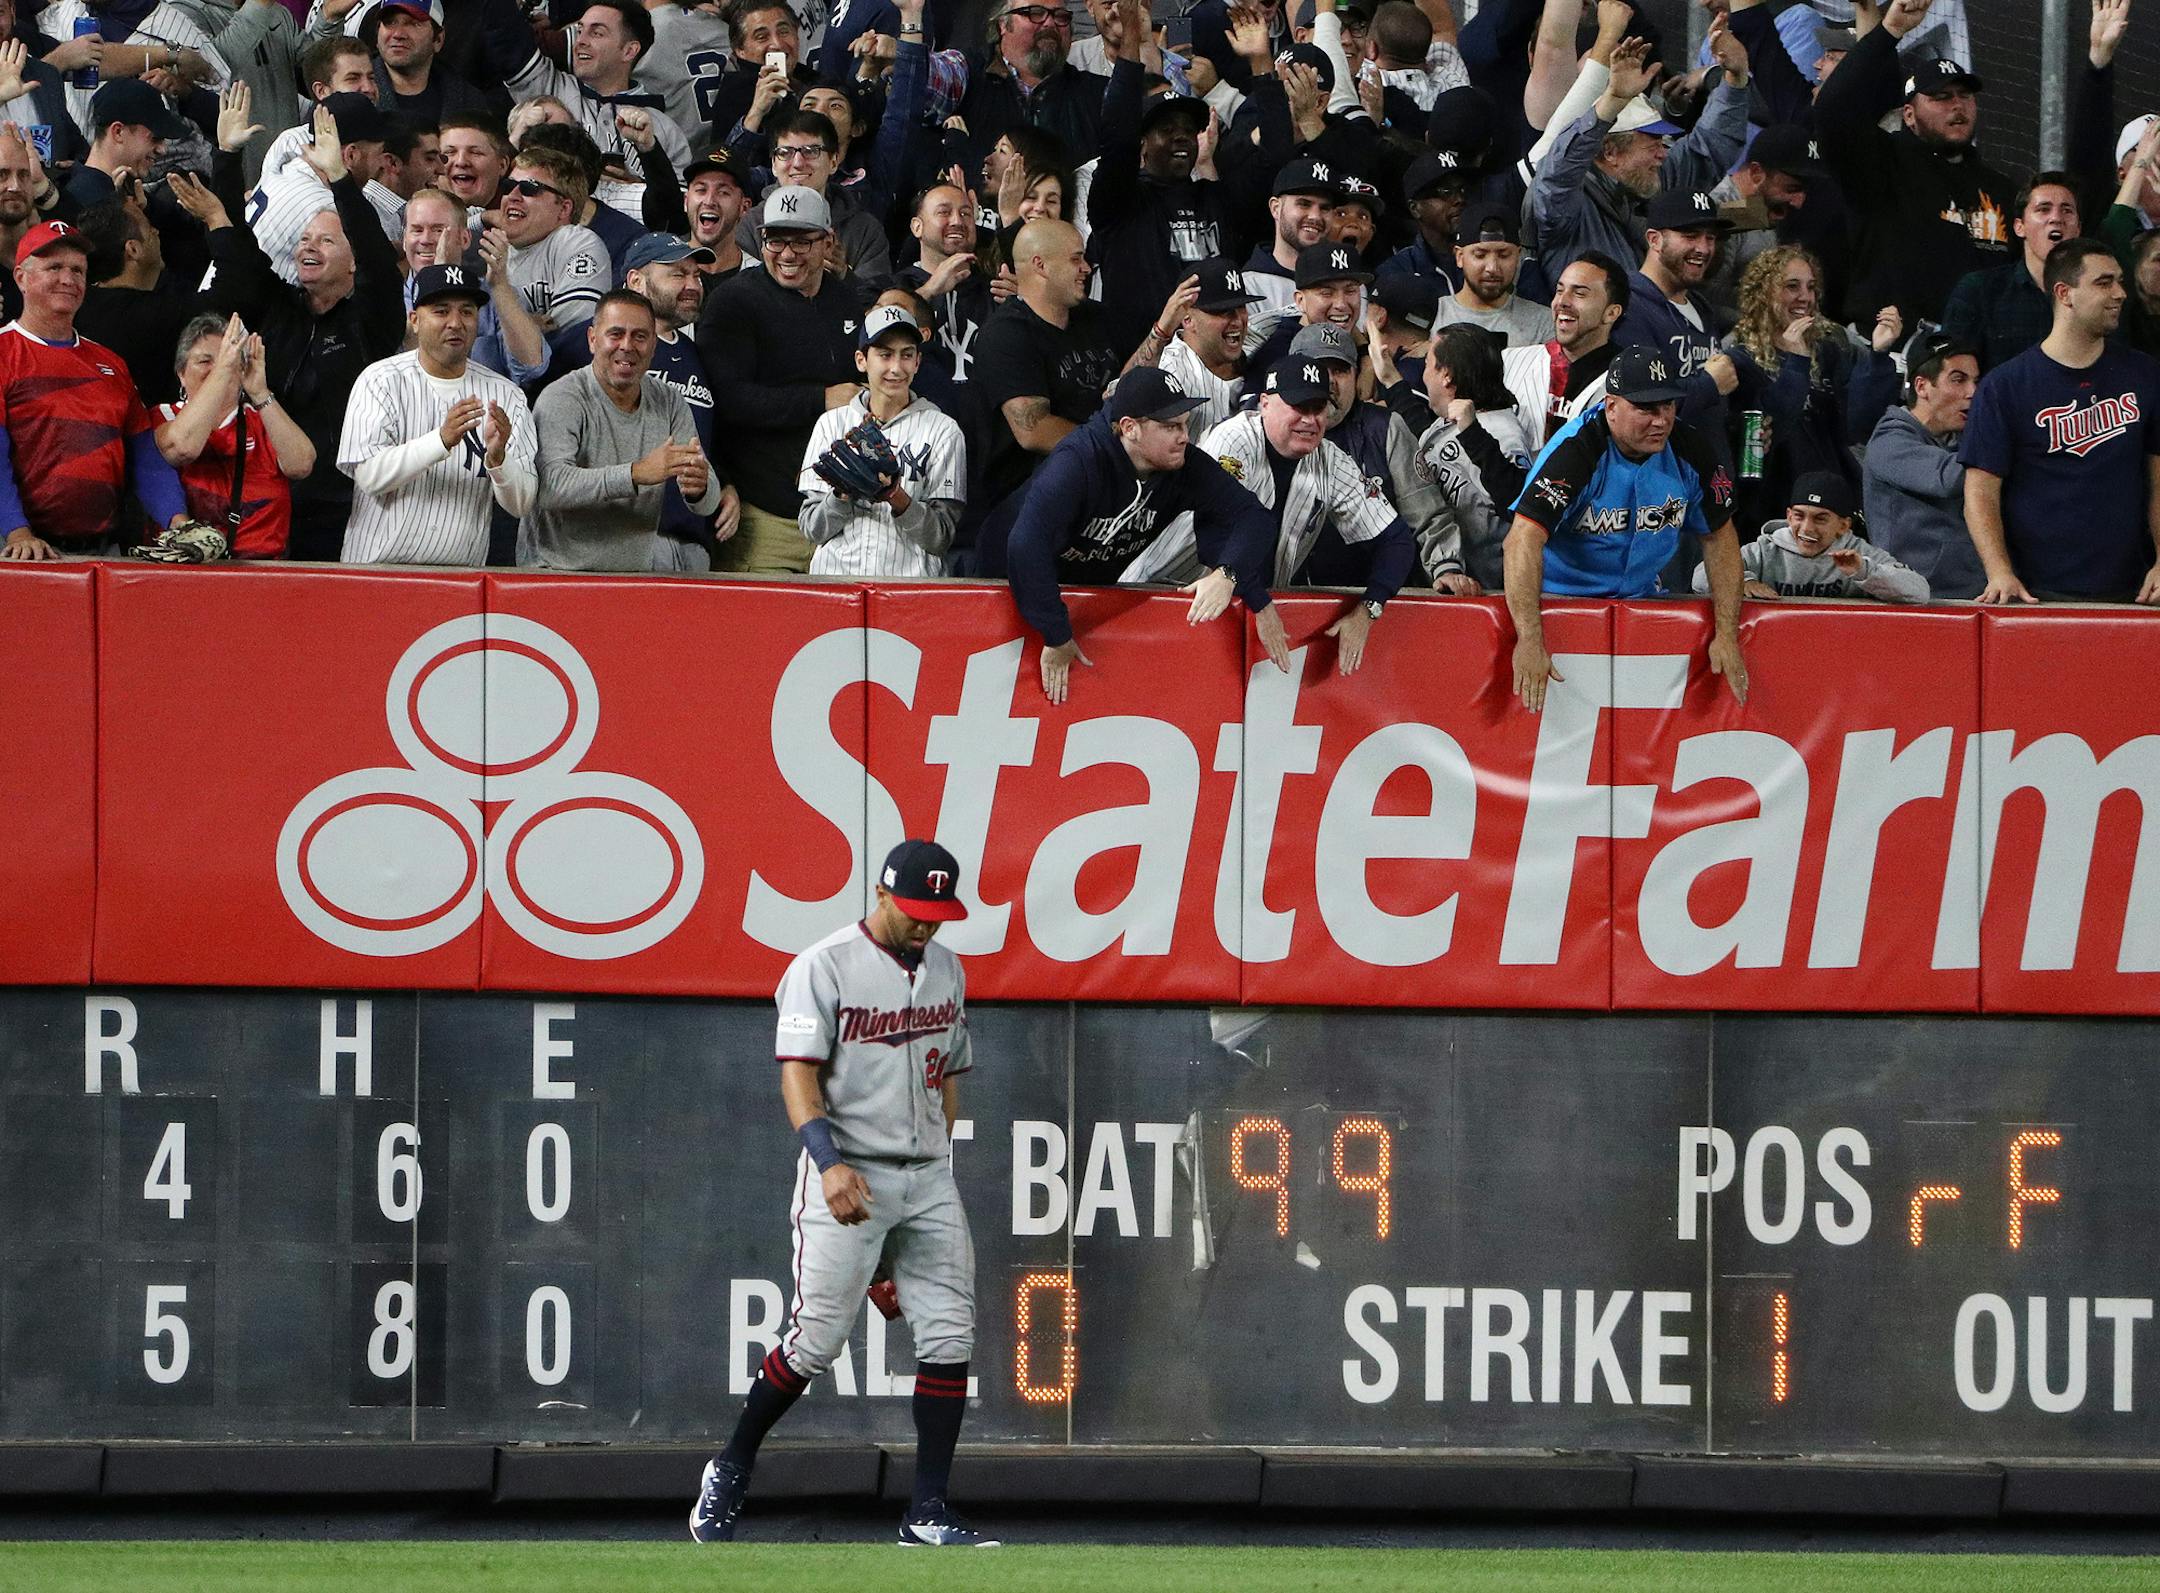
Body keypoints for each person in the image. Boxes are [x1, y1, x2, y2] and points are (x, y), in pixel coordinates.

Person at [688, 838, 998, 1550]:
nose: (926, 925)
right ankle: (730, 1464)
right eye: (916, 910)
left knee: (950, 1335)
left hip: (926, 1176)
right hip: (848, 1171)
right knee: (814, 1342)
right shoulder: (823, 965)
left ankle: (927, 1509)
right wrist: (826, 1163)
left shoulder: (948, 969)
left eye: (937, 913)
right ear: (884, 894)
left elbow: (949, 1073)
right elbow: (797, 1072)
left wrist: (936, 1165)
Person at [179, 116, 407, 561]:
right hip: (271, 500)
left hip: (349, 507)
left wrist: (340, 179)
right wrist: (227, 159)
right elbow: (240, 249)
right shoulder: (279, 307)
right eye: (304, 238)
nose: (308, 246)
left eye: (325, 240)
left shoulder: (371, 319)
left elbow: (379, 258)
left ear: (353, 259)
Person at [1004, 366, 1288, 703]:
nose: (1184, 435)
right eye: (1170, 427)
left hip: (1084, 593)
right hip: (1006, 587)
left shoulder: (1182, 465)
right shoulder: (1079, 461)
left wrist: (1228, 576)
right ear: (1130, 428)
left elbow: (1253, 516)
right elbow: (1025, 546)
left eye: (1184, 424)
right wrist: (1055, 633)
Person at [1128, 356, 1413, 673]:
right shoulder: (1234, 439)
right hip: (1160, 594)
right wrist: (1260, 604)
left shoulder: (1330, 460)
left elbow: (1396, 540)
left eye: (1318, 408)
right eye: (1299, 407)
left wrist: (1367, 611)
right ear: (1264, 403)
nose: (1309, 419)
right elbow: (1219, 536)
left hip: (1238, 610)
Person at [1503, 345, 1748, 712]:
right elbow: (1522, 539)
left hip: (1640, 606)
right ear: (1611, 407)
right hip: (1560, 608)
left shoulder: (1689, 448)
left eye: (1668, 405)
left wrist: (1727, 635)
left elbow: (1720, 537)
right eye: (1646, 408)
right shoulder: (1577, 451)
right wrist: (1529, 639)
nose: (1661, 420)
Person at [1961, 237, 2160, 605]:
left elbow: (2159, 478)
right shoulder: (2005, 386)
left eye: (2119, 280)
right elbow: (1979, 492)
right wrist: (1999, 570)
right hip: (2036, 593)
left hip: (2132, 590)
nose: (2120, 293)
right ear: (2064, 293)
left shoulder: (2146, 375)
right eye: (2104, 283)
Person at [1811, 0, 2016, 328]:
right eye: (1941, 97)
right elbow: (1833, 112)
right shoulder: (1880, 165)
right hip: (1893, 358)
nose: (1957, 106)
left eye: (1965, 95)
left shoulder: (2000, 189)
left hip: (1974, 364)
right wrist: (1889, 31)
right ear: (1909, 115)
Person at [0, 221, 192, 559]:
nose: (68, 279)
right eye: (54, 267)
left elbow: (145, 455)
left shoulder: (111, 363)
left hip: (106, 550)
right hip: (20, 550)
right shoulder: (4, 352)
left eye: (77, 270)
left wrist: (178, 522)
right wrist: (17, 532)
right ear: (21, 278)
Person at [697, 185, 864, 574]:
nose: (787, 254)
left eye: (802, 241)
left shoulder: (846, 300)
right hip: (765, 519)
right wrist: (820, 399)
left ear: (828, 241)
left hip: (840, 519)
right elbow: (729, 400)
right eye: (775, 240)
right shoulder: (734, 301)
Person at [337, 261, 538, 565]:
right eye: (441, 311)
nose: (456, 322)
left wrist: (499, 463)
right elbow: (369, 476)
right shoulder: (380, 380)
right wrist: (440, 441)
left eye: (466, 311)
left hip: (459, 584)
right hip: (375, 573)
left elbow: (522, 503)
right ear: (415, 320)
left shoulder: (506, 396)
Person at [521, 288, 725, 572]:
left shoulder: (670, 401)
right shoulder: (562, 397)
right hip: (557, 573)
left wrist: (700, 488)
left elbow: (706, 504)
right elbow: (550, 487)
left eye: (640, 336)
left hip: (633, 576)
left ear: (654, 346)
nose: (627, 345)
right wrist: (636, 474)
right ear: (593, 339)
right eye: (615, 334)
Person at [1527, 31, 1751, 282]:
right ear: (1611, 152)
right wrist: (1612, 101)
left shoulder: (1652, 179)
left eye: (1662, 143)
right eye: (1652, 145)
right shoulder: (1568, 200)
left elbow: (1709, 147)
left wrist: (1736, 79)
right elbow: (1561, 168)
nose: (1662, 154)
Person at [971, 217, 1124, 559]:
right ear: (1040, 265)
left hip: (1095, 489)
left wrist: (1161, 330)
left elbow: (1126, 385)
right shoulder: (1005, 334)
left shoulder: (1096, 319)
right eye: (1076, 259)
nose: (1086, 267)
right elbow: (1034, 431)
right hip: (1022, 511)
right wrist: (1117, 448)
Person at [1723, 244, 1902, 527]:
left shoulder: (1828, 351)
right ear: (1763, 292)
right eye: (1792, 286)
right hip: (1772, 512)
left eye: (1810, 287)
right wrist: (1796, 363)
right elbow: (1766, 435)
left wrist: (1878, 356)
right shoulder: (1738, 360)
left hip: (1831, 507)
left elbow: (1856, 425)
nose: (1804, 297)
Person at [799, 304, 967, 577]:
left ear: (917, 362)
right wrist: (842, 495)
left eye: (906, 355)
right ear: (861, 360)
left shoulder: (943, 431)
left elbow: (940, 539)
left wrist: (896, 497)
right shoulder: (831, 424)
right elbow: (811, 529)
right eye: (885, 355)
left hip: (909, 590)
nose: (896, 368)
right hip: (835, 583)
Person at [154, 312, 315, 559]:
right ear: (181, 373)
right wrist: (224, 368)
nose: (220, 368)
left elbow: (302, 465)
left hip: (263, 573)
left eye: (227, 359)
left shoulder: (262, 420)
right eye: (205, 361)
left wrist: (260, 392)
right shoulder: (163, 416)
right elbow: (182, 447)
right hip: (185, 571)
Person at [1864, 331, 1983, 599]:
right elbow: (1947, 478)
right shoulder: (1889, 441)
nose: (1972, 392)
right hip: (1913, 601)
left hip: (1970, 592)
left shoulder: (1963, 440)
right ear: (1921, 387)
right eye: (1958, 379)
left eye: (1975, 380)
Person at [1693, 470, 1926, 604]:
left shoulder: (1858, 553)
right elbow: (1700, 579)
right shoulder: (1765, 550)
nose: (1807, 528)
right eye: (1799, 516)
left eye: (1820, 518)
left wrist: (1864, 572)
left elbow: (1919, 592)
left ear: (1843, 525)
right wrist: (1743, 581)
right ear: (1788, 515)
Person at [399, 186, 548, 387]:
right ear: (404, 239)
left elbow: (533, 367)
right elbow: (409, 372)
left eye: (438, 230)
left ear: (465, 239)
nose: (425, 240)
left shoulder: (496, 292)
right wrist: (439, 280)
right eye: (417, 230)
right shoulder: (386, 300)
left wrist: (500, 286)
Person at [1614, 188, 1737, 429]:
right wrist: (1708, 385)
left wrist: (1736, 426)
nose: (1703, 248)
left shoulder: (1702, 308)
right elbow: (1642, 400)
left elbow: (1710, 408)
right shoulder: (1629, 305)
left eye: (1710, 238)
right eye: (1690, 236)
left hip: (1709, 462)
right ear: (1654, 239)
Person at [1941, 173, 2082, 373]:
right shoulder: (1980, 291)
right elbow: (1953, 372)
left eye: (2067, 210)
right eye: (2043, 209)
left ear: (2078, 229)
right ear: (2019, 227)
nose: (2056, 218)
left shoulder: (2093, 294)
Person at [501, 146, 613, 330]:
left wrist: (510, 329)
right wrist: (526, 324)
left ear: (564, 208)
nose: (512, 196)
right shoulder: (488, 247)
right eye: (507, 186)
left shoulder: (576, 242)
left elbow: (576, 330)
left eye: (529, 188)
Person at [1432, 200, 1555, 348]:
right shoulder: (1432, 316)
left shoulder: (1543, 323)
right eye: (1480, 255)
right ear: (1459, 257)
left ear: (1518, 256)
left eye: (1504, 255)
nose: (1492, 267)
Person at [1159, 256, 1255, 434]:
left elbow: (1297, 310)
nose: (1237, 321)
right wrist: (1160, 331)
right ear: (1187, 318)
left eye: (1241, 307)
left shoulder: (1257, 337)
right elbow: (1116, 400)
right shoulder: (1170, 369)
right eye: (1221, 311)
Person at [1242, 155, 1340, 314]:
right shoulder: (1249, 287)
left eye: (1325, 208)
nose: (1315, 216)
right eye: (1304, 204)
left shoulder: (1350, 285)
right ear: (1275, 208)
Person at [682, 148, 756, 278]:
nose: (709, 201)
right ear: (686, 201)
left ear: (744, 207)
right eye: (701, 190)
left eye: (723, 192)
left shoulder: (761, 280)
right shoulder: (662, 269)